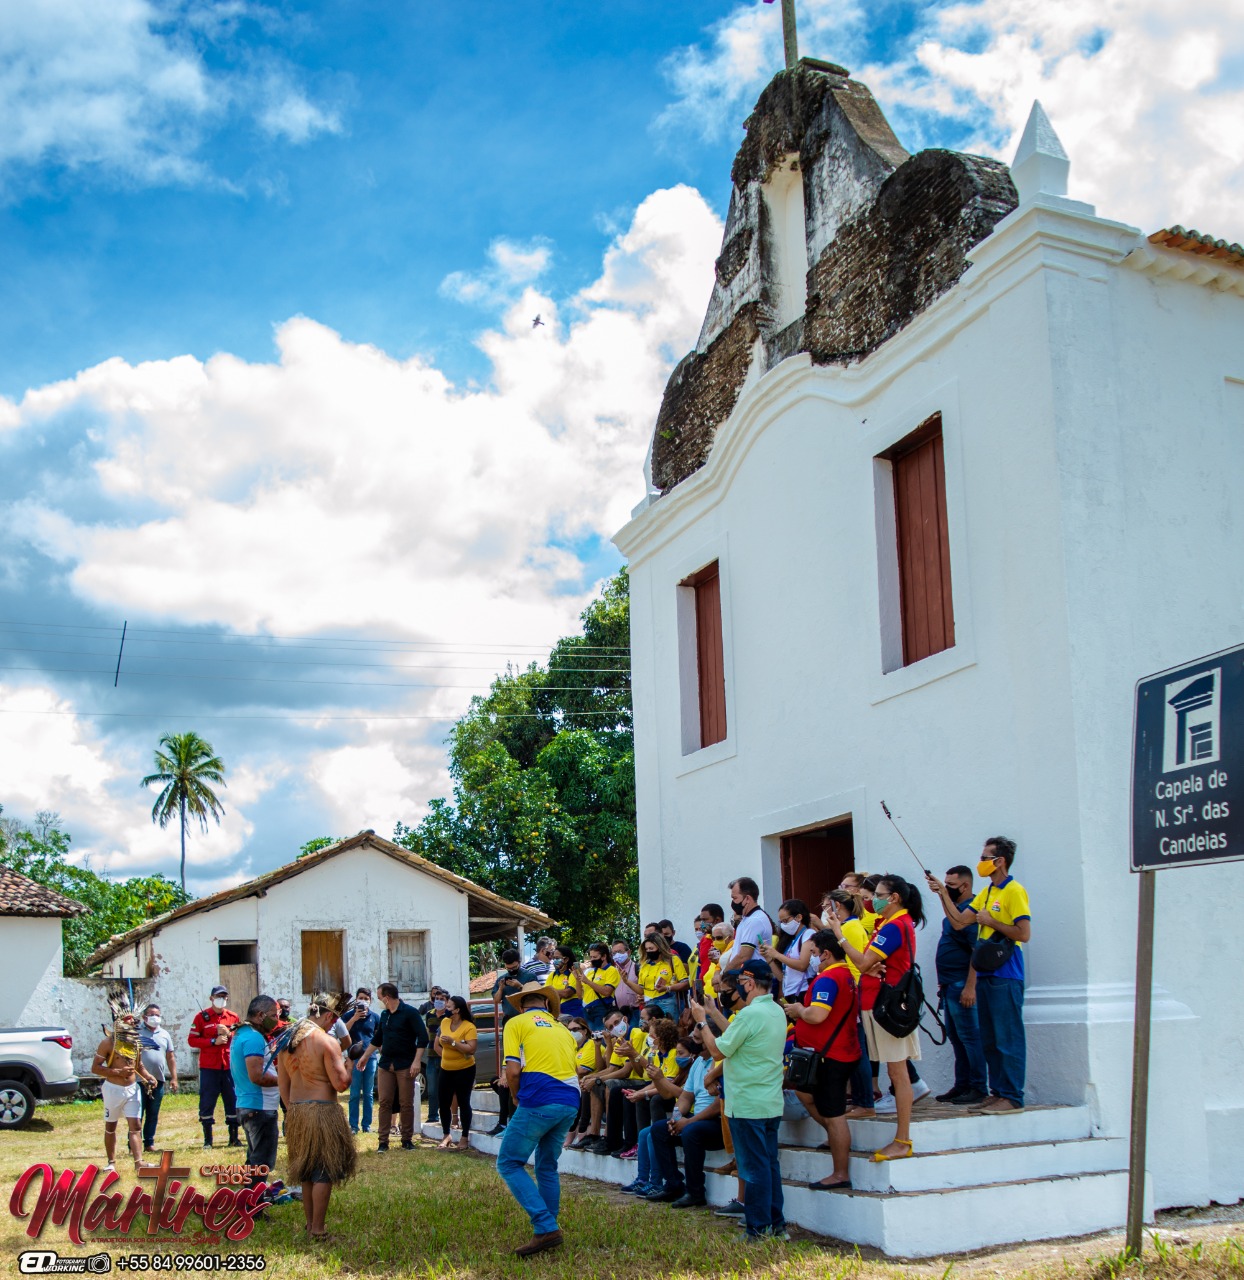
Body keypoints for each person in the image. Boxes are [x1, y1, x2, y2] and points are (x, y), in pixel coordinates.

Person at [927, 837, 1031, 1113]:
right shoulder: (986, 893)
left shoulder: (1013, 891)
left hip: (1006, 972)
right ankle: (998, 1092)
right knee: (990, 1037)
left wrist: (992, 921)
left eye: (986, 858)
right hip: (986, 972)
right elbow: (960, 921)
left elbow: (1024, 933)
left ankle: (1012, 1095)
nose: (981, 862)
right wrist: (942, 894)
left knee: (1007, 1036)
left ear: (1000, 861)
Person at [829, 873, 925, 1161]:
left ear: (894, 897)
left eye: (879, 894)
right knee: (895, 1070)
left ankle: (903, 1139)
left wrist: (840, 936)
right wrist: (869, 963)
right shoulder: (889, 923)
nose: (872, 899)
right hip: (877, 1002)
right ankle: (901, 1137)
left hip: (887, 1007)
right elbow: (869, 963)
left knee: (898, 1072)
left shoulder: (894, 926)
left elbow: (863, 961)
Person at [690, 958, 788, 1240]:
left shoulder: (749, 1015)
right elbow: (736, 1037)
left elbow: (719, 1051)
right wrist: (712, 1011)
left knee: (754, 1168)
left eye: (739, 984)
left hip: (747, 1103)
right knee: (769, 1164)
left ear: (749, 983)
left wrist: (701, 1021)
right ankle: (775, 1224)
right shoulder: (774, 1011)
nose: (735, 990)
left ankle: (757, 1228)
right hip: (768, 1102)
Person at [495, 980, 581, 1257]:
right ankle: (549, 1226)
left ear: (520, 1004)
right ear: (546, 1003)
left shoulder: (516, 1023)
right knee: (546, 1166)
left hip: (540, 1098)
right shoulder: (564, 1029)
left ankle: (545, 1226)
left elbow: (513, 1070)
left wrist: (517, 1097)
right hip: (570, 1100)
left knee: (508, 1162)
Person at [278, 994, 357, 1242]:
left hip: (297, 1112)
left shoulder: (286, 1041)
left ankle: (311, 1225)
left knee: (306, 1170)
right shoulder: (326, 1041)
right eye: (333, 1021)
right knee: (323, 1170)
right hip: (322, 1111)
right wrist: (351, 1062)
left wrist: (294, 1112)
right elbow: (341, 1083)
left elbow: (283, 1087)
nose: (332, 1025)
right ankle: (319, 1230)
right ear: (328, 1016)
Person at [787, 932, 861, 1191]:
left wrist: (799, 1011)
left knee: (835, 1114)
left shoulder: (829, 977)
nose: (813, 959)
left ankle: (840, 1173)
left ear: (826, 954)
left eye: (814, 954)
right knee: (803, 1093)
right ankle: (832, 1134)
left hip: (832, 1056)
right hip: (833, 1052)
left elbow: (817, 1015)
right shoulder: (845, 975)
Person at [922, 865, 988, 1104]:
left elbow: (976, 951)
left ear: (966, 886)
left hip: (962, 983)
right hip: (949, 984)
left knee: (970, 1036)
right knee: (956, 1037)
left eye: (950, 886)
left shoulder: (969, 915)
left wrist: (971, 986)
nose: (947, 889)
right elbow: (952, 917)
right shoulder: (955, 910)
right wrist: (942, 893)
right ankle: (962, 1085)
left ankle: (979, 1086)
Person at [644, 1026, 724, 1208]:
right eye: (693, 1038)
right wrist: (677, 1117)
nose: (693, 1042)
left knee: (691, 1131)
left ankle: (696, 1192)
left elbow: (719, 1104)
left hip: (718, 1123)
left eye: (698, 1039)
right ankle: (673, 1185)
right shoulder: (697, 1062)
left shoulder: (720, 1062)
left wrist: (689, 1121)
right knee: (659, 1129)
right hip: (696, 1119)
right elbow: (687, 1096)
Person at [353, 981, 428, 1150]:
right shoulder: (385, 1015)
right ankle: (383, 1141)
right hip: (386, 1064)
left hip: (405, 1064)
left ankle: (407, 1139)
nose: (379, 1000)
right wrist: (364, 1056)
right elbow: (378, 1038)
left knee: (406, 1103)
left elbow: (423, 1037)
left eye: (379, 997)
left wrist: (417, 1060)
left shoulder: (410, 1013)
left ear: (387, 998)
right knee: (385, 1102)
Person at [822, 890, 877, 1117]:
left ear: (836, 905)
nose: (824, 910)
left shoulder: (850, 928)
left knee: (859, 1051)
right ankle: (860, 1099)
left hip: (851, 992)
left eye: (826, 905)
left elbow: (850, 960)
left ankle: (865, 1102)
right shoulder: (846, 927)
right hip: (848, 992)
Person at [92, 1008, 159, 1173]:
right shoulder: (108, 1043)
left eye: (132, 1019)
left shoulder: (136, 1042)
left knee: (135, 1125)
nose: (132, 1021)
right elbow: (95, 1068)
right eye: (128, 1019)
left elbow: (139, 1066)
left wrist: (149, 1076)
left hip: (132, 1089)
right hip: (113, 1089)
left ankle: (139, 1162)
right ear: (119, 1022)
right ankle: (111, 1162)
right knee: (111, 1126)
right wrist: (117, 1072)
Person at [230, 995, 281, 1194]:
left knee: (254, 1159)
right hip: (259, 1108)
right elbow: (257, 1076)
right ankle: (254, 1207)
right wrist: (285, 1080)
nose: (276, 1019)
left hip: (250, 1105)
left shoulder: (242, 1034)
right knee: (262, 1162)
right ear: (260, 1016)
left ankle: (246, 1200)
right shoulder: (253, 1037)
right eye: (273, 1015)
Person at [188, 985, 241, 1148]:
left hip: (228, 1067)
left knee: (232, 1099)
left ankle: (233, 1138)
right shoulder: (200, 1017)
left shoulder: (232, 1017)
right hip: (209, 1067)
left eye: (224, 997)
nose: (222, 1000)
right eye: (218, 997)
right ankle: (207, 1140)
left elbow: (240, 1039)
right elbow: (192, 1040)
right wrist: (212, 1041)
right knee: (207, 1101)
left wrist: (229, 1033)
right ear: (211, 998)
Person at [435, 996, 478, 1150]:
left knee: (463, 1102)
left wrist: (453, 1043)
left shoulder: (468, 1027)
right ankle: (446, 1135)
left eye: (449, 1006)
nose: (445, 1008)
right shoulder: (444, 1022)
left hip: (465, 1069)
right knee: (443, 1102)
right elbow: (438, 1042)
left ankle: (464, 1137)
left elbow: (471, 1049)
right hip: (446, 1068)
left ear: (457, 1010)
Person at [137, 1004, 177, 1153]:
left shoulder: (164, 1034)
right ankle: (133, 1144)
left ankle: (149, 1142)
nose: (155, 1017)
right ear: (144, 1017)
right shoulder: (136, 1033)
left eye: (158, 1015)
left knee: (153, 1114)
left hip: (158, 1081)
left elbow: (170, 1057)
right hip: (139, 1081)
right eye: (152, 1014)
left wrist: (174, 1077)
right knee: (137, 1114)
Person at [759, 898, 817, 1002]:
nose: (783, 925)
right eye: (781, 922)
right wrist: (768, 958)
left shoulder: (808, 934)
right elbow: (781, 977)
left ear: (799, 917)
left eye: (786, 921)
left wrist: (777, 955)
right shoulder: (790, 941)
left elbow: (802, 965)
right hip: (790, 993)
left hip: (803, 991)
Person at [619, 931, 687, 1019]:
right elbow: (641, 990)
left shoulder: (672, 960)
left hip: (666, 1002)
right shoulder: (645, 964)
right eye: (646, 949)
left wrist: (667, 988)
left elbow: (685, 983)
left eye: (651, 948)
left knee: (666, 1030)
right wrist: (626, 981)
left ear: (659, 947)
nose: (648, 951)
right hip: (649, 1005)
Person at [341, 987, 379, 1134]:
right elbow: (343, 1031)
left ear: (370, 1001)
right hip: (354, 1059)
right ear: (356, 999)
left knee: (369, 1093)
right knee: (355, 1093)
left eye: (366, 999)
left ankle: (366, 1125)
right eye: (360, 998)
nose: (363, 1001)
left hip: (370, 1058)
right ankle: (353, 1125)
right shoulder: (349, 1015)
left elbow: (378, 1037)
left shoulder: (375, 1017)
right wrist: (354, 1018)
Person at [417, 985, 450, 1125]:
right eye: (437, 998)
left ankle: (446, 1115)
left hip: (445, 1056)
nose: (439, 1001)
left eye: (442, 999)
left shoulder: (450, 1015)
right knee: (431, 1089)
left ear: (447, 1001)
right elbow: (426, 1032)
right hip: (431, 1056)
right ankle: (432, 1116)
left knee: (445, 1088)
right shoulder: (429, 1014)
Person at [727, 877, 774, 966]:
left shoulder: (755, 920)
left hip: (752, 976)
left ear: (747, 898)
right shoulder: (747, 919)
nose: (733, 902)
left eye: (735, 898)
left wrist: (725, 974)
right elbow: (736, 951)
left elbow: (743, 956)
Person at [576, 944, 620, 1034]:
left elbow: (607, 992)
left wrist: (588, 981)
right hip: (586, 1009)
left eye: (595, 957)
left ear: (604, 957)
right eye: (591, 957)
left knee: (602, 1037)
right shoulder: (590, 971)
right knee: (593, 1039)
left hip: (601, 1008)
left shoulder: (611, 970)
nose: (592, 959)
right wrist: (577, 980)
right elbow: (580, 996)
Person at [610, 939, 642, 1030]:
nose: (617, 955)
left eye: (620, 952)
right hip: (620, 1013)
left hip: (636, 1011)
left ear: (628, 952)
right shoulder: (613, 972)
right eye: (614, 953)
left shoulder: (638, 968)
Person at [547, 947, 585, 1019]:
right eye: (554, 958)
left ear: (566, 959)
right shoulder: (552, 975)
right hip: (558, 1011)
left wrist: (552, 991)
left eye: (557, 958)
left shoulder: (574, 973)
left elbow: (567, 993)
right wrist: (558, 992)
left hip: (574, 1010)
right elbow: (546, 993)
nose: (555, 961)